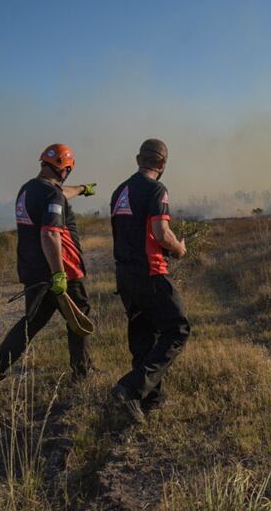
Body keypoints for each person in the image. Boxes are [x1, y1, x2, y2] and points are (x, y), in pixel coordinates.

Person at [0, 143, 97, 400]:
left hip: (32, 270)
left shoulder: (29, 189)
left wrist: (83, 190)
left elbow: (61, 193)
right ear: (64, 169)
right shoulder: (52, 196)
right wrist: (59, 274)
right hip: (60, 270)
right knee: (79, 320)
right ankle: (82, 372)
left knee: (32, 324)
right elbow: (50, 235)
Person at [109, 138, 190, 422]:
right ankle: (130, 388)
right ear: (162, 164)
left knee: (144, 335)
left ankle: (149, 399)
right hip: (151, 273)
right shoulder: (156, 189)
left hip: (125, 275)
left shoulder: (120, 191)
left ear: (138, 159)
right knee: (177, 330)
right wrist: (178, 248)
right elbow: (160, 232)